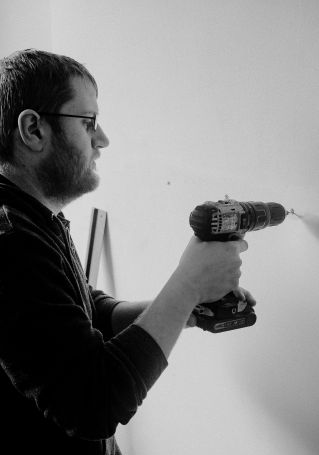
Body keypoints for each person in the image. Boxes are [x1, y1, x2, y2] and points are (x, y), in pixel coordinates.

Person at [0, 49, 254, 455]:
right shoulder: (10, 238)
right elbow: (93, 404)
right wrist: (187, 285)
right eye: (89, 123)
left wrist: (180, 309)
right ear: (33, 129)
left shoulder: (36, 216)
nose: (103, 139)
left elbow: (82, 310)